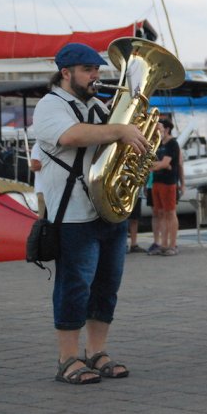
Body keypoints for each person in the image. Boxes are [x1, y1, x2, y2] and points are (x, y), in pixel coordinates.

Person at [32, 42, 148, 384]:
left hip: (107, 211)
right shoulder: (50, 106)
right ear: (66, 73)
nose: (95, 76)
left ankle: (96, 352)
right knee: (74, 286)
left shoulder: (98, 105)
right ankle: (67, 358)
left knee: (106, 286)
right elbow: (71, 136)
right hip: (71, 214)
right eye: (87, 70)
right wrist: (120, 129)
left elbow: (116, 144)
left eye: (97, 70)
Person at [149, 119, 182, 256]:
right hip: (157, 181)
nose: (157, 131)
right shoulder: (157, 144)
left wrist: (156, 166)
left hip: (168, 182)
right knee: (160, 213)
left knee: (170, 212)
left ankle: (172, 244)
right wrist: (158, 165)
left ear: (166, 129)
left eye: (159, 128)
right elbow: (152, 162)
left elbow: (165, 163)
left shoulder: (172, 144)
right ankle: (163, 244)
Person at [30, 143, 46, 218]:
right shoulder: (38, 146)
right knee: (43, 220)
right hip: (42, 191)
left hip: (55, 190)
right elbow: (34, 166)